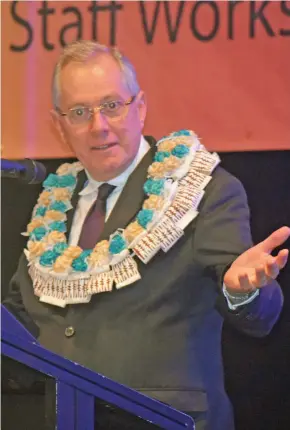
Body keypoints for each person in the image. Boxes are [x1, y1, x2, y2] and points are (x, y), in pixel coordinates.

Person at [3, 40, 289, 430]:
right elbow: (23, 318)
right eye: (80, 112)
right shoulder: (51, 203)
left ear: (140, 108)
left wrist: (244, 289)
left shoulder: (200, 191)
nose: (98, 125)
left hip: (163, 420)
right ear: (59, 125)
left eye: (111, 106)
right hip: (57, 417)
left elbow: (257, 315)